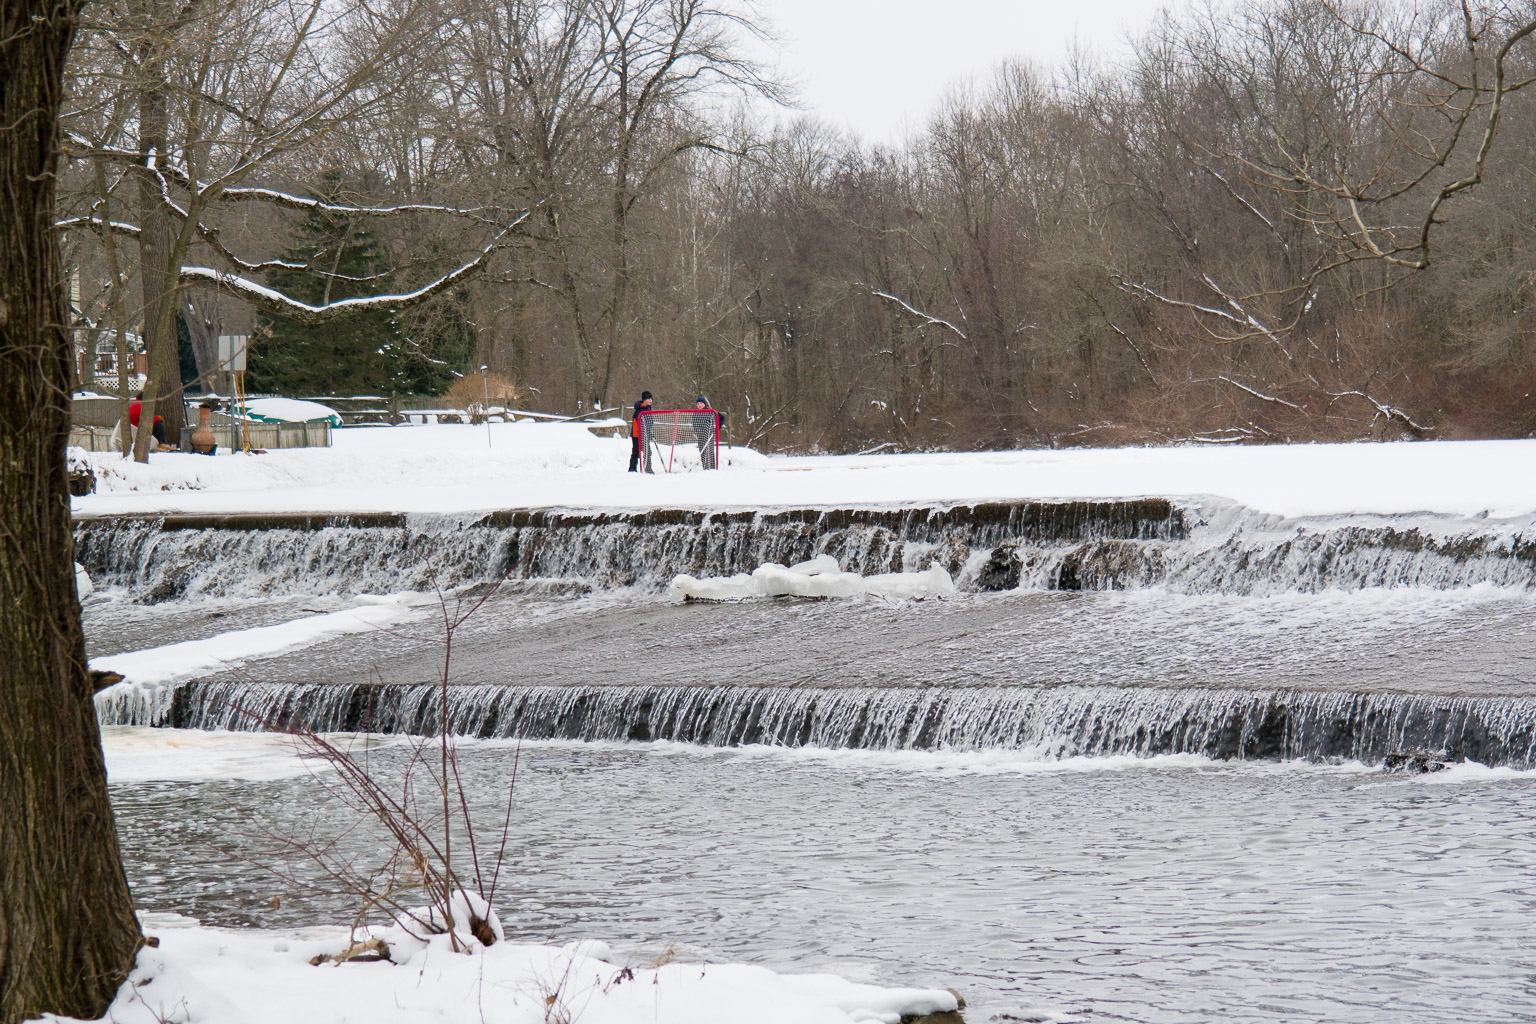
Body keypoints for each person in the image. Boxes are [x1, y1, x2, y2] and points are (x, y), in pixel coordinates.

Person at [692, 396, 724, 470]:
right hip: (701, 436)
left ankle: (712, 468)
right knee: (702, 452)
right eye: (698, 404)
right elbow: (695, 424)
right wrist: (698, 432)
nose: (699, 405)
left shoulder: (710, 412)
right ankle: (705, 468)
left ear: (704, 404)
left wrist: (717, 427)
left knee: (710, 452)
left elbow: (721, 418)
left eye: (701, 403)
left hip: (709, 436)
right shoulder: (695, 414)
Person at [629, 390, 653, 472]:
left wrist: (650, 432)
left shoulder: (649, 408)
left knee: (648, 451)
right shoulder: (639, 409)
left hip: (645, 434)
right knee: (636, 452)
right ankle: (632, 468)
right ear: (644, 400)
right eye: (648, 399)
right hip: (637, 435)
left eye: (651, 399)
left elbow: (649, 422)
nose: (650, 400)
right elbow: (641, 422)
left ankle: (648, 467)